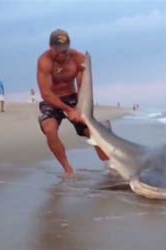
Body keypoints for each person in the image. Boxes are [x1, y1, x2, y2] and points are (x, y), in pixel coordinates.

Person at [37, 28, 108, 177]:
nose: (63, 54)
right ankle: (68, 169)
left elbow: (84, 87)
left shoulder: (78, 58)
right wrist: (68, 111)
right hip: (52, 99)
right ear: (51, 47)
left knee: (92, 131)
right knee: (49, 130)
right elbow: (46, 93)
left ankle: (110, 165)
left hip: (72, 97)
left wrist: (80, 109)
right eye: (59, 51)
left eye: (65, 50)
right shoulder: (45, 62)